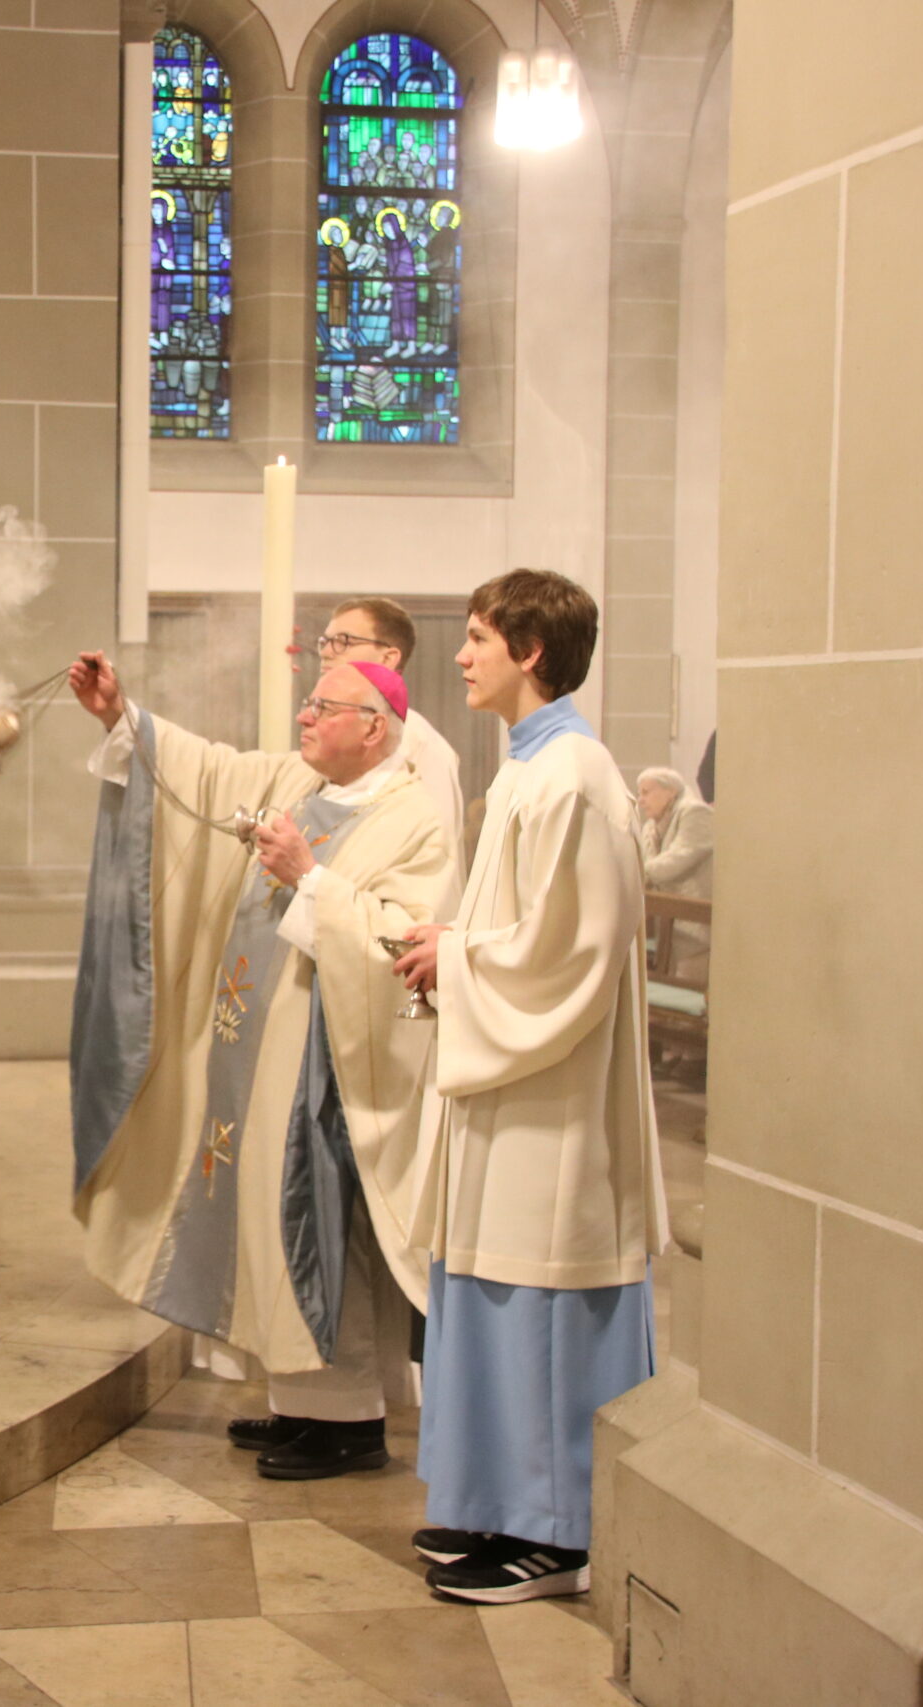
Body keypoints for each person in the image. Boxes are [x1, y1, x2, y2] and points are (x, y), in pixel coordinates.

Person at [70, 652, 451, 1479]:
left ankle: (347, 1422)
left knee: (315, 1226)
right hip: (255, 1051)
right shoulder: (300, 785)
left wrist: (311, 878)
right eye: (308, 703)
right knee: (262, 1224)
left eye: (324, 706)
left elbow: (405, 938)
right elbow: (203, 773)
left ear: (374, 726)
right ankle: (300, 1406)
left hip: (329, 1065)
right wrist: (121, 715)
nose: (305, 717)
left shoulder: (414, 818)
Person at [389, 569, 666, 1605]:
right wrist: (454, 944)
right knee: (495, 1290)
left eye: (473, 638)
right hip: (510, 1078)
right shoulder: (525, 771)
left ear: (529, 650)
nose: (458, 656)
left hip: (552, 1091)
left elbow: (570, 954)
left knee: (543, 1294)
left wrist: (455, 958)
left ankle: (557, 1533)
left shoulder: (572, 777)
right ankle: (501, 1505)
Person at [313, 597, 466, 906]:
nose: (328, 651)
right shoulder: (341, 733)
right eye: (325, 641)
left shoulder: (415, 740)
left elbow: (434, 853)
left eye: (344, 641)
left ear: (388, 658)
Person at [634, 765, 713, 979]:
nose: (640, 800)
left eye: (646, 792)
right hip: (668, 926)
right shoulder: (651, 825)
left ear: (670, 791)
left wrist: (633, 874)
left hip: (695, 928)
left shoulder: (696, 813)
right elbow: (644, 862)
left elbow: (677, 860)